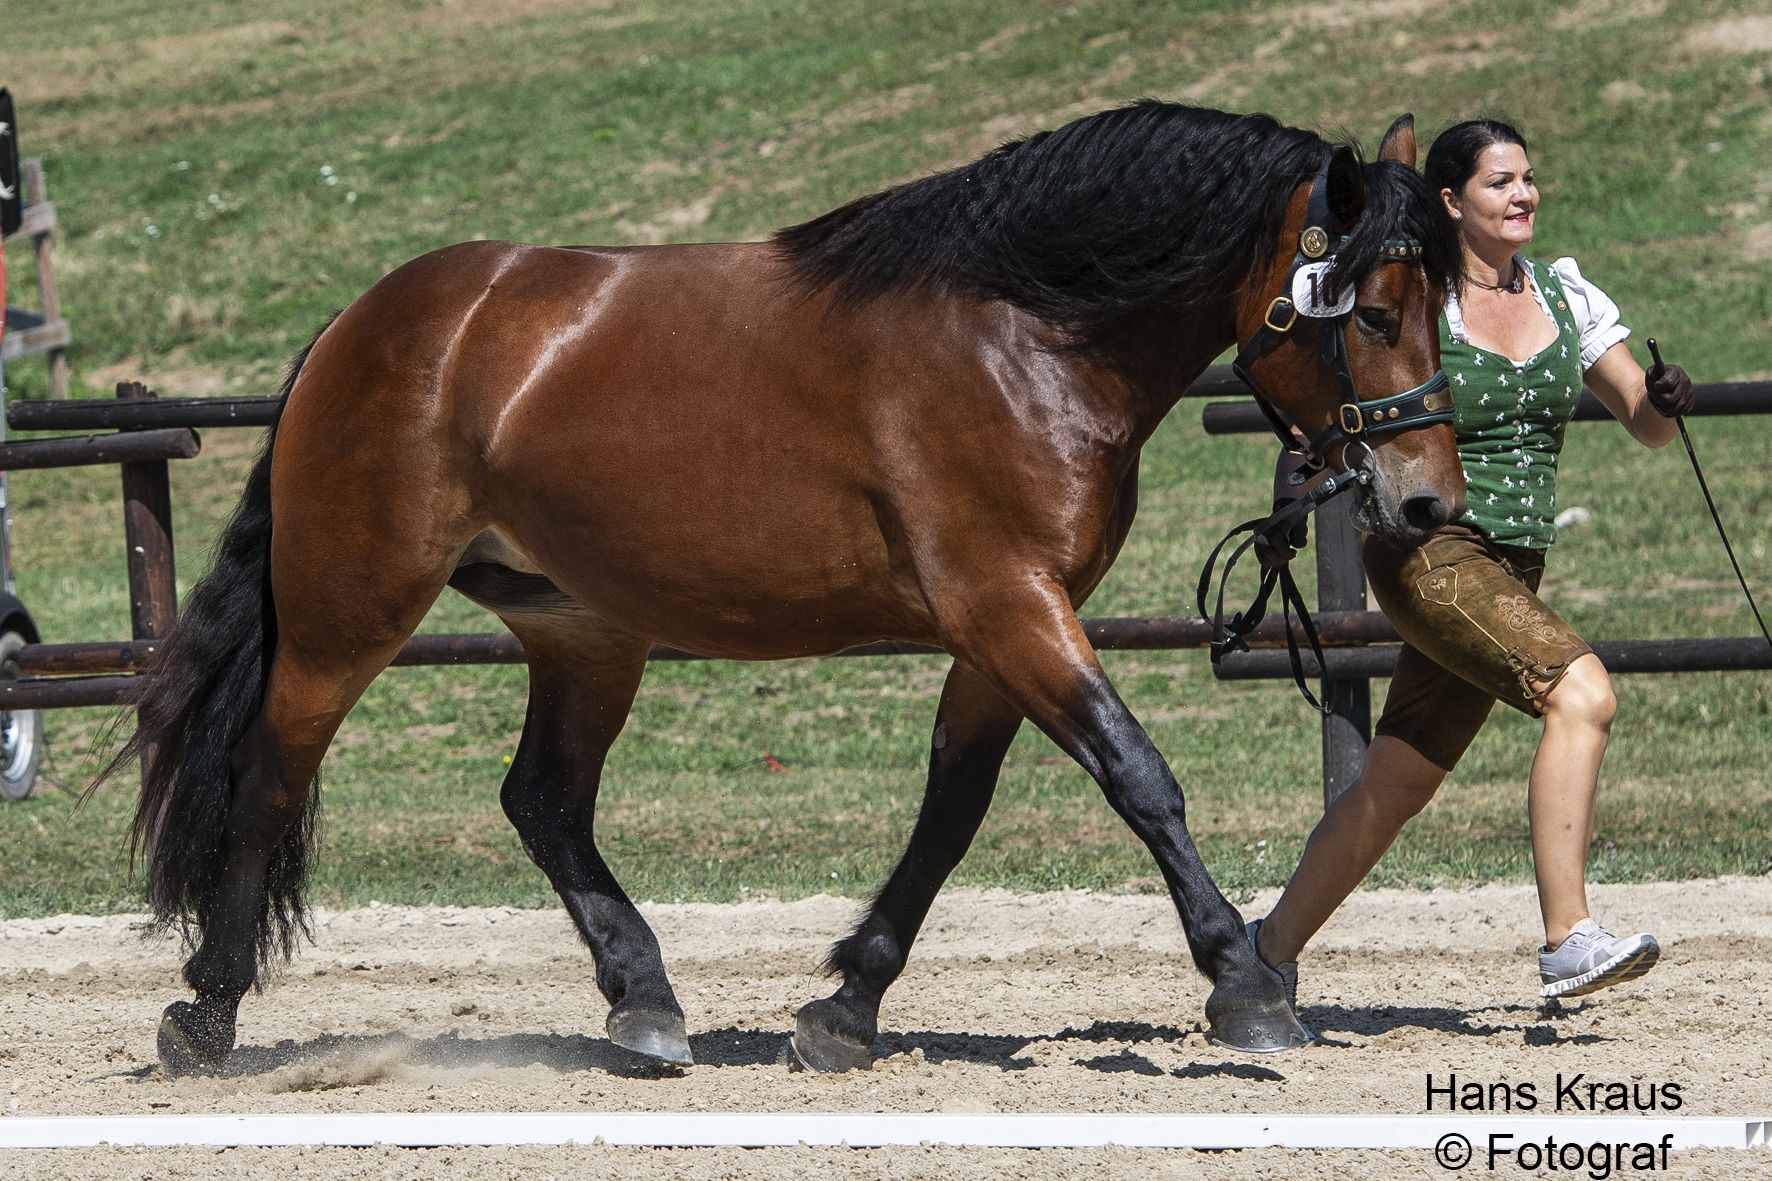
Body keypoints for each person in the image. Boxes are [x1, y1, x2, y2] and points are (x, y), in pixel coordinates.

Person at [1248, 118, 1695, 1014]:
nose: (1524, 194)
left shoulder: (1565, 297)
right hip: (1432, 553)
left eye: (1528, 178)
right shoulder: (1422, 302)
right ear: (1452, 202)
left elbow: (1642, 420)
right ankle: (1569, 937)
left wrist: (1665, 399)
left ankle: (1259, 956)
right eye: (1501, 182)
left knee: (1399, 778)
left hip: (1513, 571)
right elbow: (1327, 392)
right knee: (1584, 692)